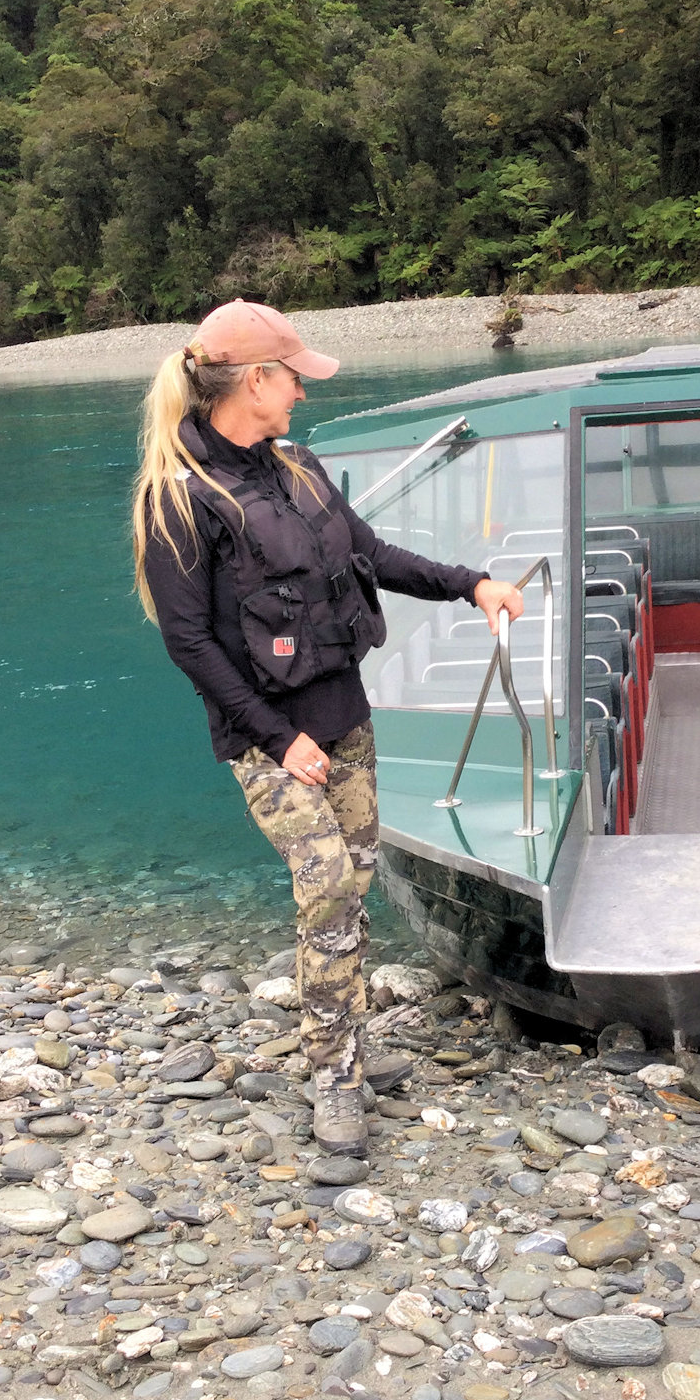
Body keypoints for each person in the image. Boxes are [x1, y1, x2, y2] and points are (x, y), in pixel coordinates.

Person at [131, 300, 524, 1159]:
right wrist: (275, 737)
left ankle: (344, 1039)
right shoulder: (179, 496)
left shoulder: (298, 465)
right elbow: (189, 642)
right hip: (269, 740)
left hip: (342, 716)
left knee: (357, 878)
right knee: (329, 892)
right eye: (295, 376)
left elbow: (371, 557)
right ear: (258, 381)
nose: (303, 392)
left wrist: (472, 583)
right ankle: (333, 1076)